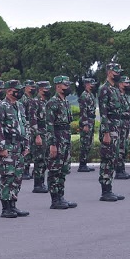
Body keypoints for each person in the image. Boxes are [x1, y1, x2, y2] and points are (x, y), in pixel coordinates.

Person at [0, 80, 30, 218]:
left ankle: (13, 204)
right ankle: (5, 208)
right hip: (8, 146)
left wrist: (26, 144)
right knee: (7, 176)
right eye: (17, 90)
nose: (20, 92)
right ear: (9, 91)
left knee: (17, 177)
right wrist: (1, 147)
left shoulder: (19, 106)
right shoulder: (1, 106)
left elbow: (24, 125)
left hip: (19, 146)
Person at [46, 76, 78, 208]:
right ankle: (55, 199)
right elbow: (49, 125)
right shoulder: (52, 102)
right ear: (58, 86)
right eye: (65, 85)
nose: (67, 87)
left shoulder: (65, 101)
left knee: (63, 169)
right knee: (55, 170)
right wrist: (52, 144)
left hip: (65, 138)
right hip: (57, 139)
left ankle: (61, 196)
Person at [98, 63, 127, 202]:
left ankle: (110, 189)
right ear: (109, 72)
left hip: (116, 127)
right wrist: (106, 133)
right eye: (116, 72)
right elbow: (103, 113)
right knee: (107, 159)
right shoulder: (104, 89)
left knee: (113, 158)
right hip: (109, 128)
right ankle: (105, 191)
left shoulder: (114, 89)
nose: (118, 74)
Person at [27, 81, 49, 194]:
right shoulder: (34, 102)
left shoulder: (45, 102)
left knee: (44, 160)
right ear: (40, 89)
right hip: (39, 134)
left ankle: (41, 182)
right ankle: (37, 184)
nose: (48, 90)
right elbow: (33, 120)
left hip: (45, 133)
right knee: (39, 160)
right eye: (46, 88)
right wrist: (37, 136)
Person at [115, 76, 130, 180]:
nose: (128, 85)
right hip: (120, 124)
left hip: (126, 124)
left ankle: (122, 169)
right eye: (125, 83)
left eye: (128, 83)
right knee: (120, 146)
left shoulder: (124, 96)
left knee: (125, 146)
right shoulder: (117, 95)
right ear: (120, 84)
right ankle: (119, 170)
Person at [77, 78, 98, 172]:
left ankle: (85, 163)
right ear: (86, 84)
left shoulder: (91, 95)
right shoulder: (84, 96)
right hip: (86, 121)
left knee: (89, 142)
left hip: (91, 120)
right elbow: (83, 111)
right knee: (85, 143)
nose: (92, 85)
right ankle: (82, 164)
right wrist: (85, 124)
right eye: (91, 84)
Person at [20, 80, 36, 180]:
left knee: (32, 149)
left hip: (32, 126)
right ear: (25, 87)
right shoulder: (23, 99)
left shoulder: (31, 99)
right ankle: (24, 170)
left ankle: (28, 169)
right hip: (26, 127)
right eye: (31, 87)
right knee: (26, 148)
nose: (33, 88)